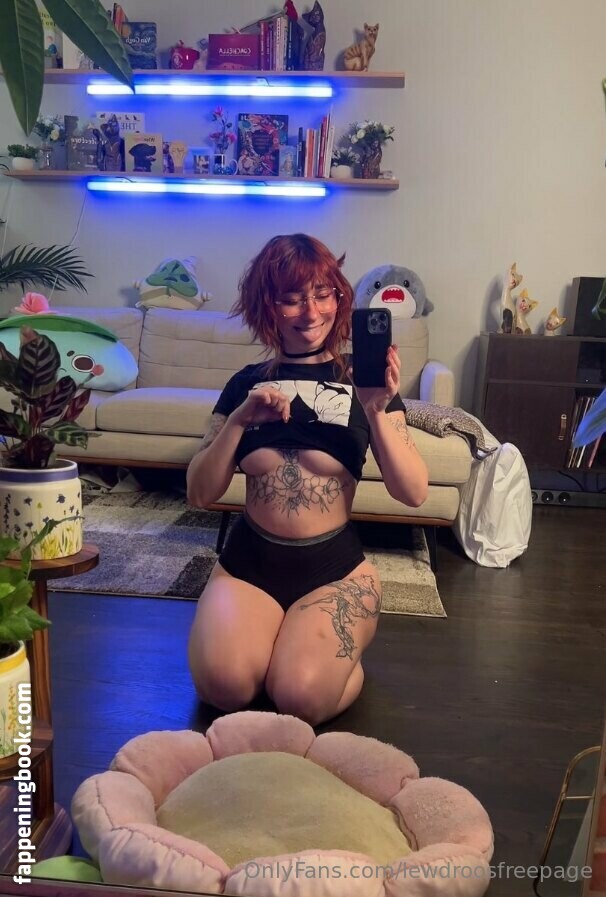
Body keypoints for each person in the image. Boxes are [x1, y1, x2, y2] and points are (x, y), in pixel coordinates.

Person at [186, 234, 428, 726]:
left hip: (334, 571)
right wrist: (238, 421)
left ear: (339, 299)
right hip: (248, 566)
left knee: (299, 698)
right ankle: (277, 647)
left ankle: (320, 659)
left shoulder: (365, 383)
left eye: (322, 294)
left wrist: (376, 411)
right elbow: (199, 493)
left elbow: (413, 492)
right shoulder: (245, 384)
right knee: (223, 689)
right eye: (292, 298)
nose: (311, 311)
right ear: (268, 306)